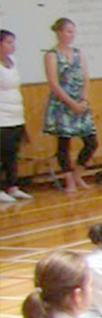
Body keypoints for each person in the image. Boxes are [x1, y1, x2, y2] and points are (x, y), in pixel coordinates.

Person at [42, 18, 96, 193]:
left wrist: (84, 101)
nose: (71, 35)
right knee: (64, 143)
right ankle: (68, 180)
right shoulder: (52, 55)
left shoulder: (78, 53)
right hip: (62, 102)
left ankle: (78, 173)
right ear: (59, 32)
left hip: (79, 101)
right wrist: (71, 103)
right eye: (67, 31)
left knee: (91, 142)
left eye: (73, 31)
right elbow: (54, 83)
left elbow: (86, 78)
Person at [0, 29, 32, 203]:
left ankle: (12, 186)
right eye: (8, 42)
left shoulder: (13, 62)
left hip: (15, 115)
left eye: (13, 42)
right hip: (1, 118)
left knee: (12, 153)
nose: (13, 46)